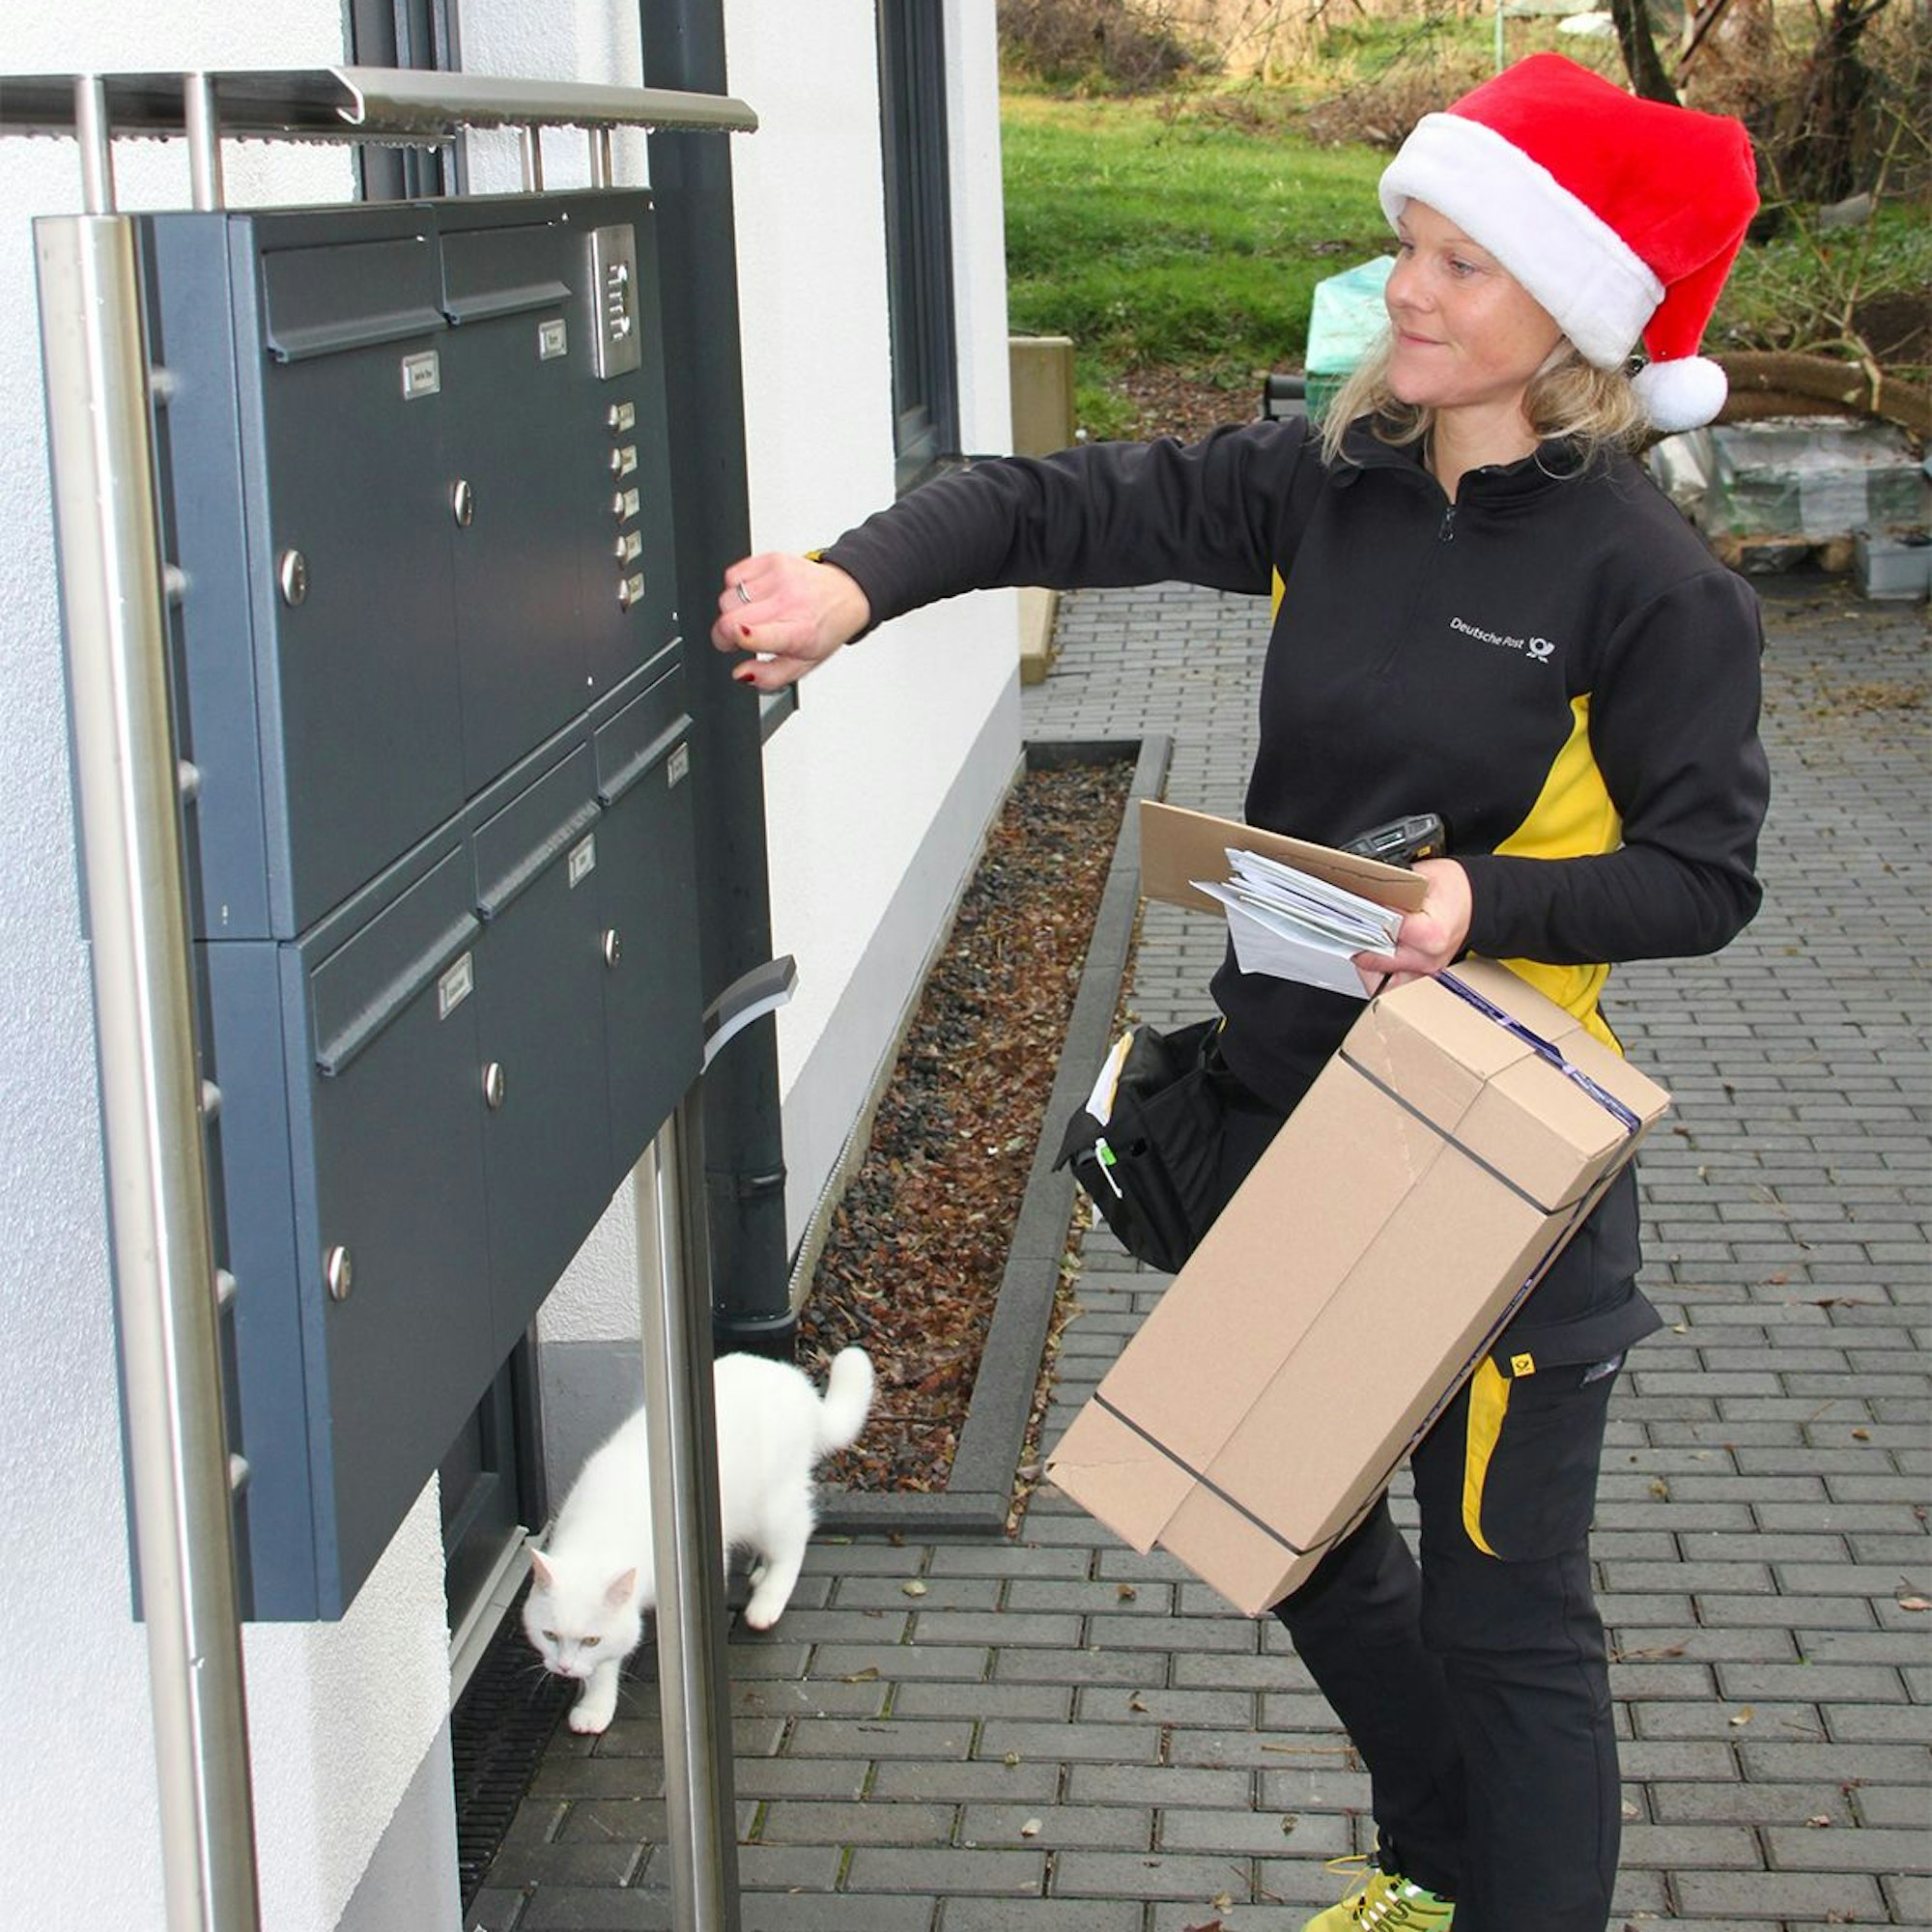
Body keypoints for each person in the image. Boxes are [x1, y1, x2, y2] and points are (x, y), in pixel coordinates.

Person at [712, 53, 1769, 1932]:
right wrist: (849, 585)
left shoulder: (1652, 586)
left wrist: (1483, 897)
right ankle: (1440, 1865)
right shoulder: (1323, 485)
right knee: (1286, 1527)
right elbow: (1051, 506)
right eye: (1405, 247)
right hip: (1295, 1121)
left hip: (1494, 1160)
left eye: (1462, 262)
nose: (1408, 291)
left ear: (1574, 317)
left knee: (1508, 1612)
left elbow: (1705, 877)